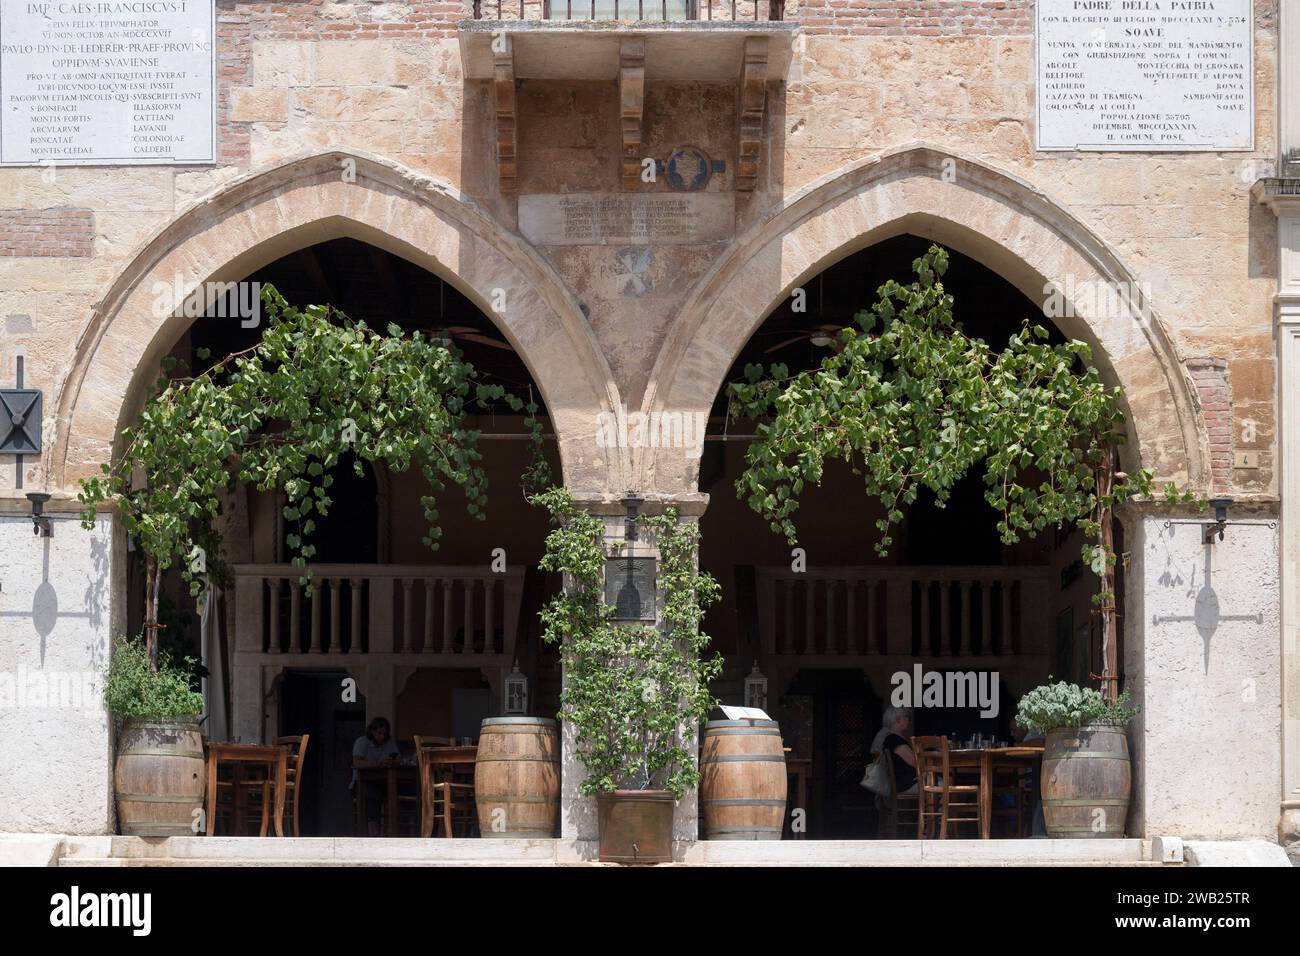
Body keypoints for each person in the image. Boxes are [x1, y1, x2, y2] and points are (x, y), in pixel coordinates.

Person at [352, 717, 400, 835]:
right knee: (372, 795)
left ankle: (394, 830)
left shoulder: (389, 743)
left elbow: (398, 759)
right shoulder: (362, 742)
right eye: (379, 733)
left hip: (384, 782)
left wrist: (391, 761)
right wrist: (376, 763)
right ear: (372, 732)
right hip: (362, 782)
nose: (382, 736)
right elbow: (356, 762)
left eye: (384, 733)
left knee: (398, 790)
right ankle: (373, 831)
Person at [876, 705, 917, 797]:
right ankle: (942, 811)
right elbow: (917, 763)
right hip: (906, 784)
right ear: (899, 720)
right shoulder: (895, 740)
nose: (909, 722)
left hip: (904, 783)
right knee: (945, 785)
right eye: (907, 718)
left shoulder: (891, 739)